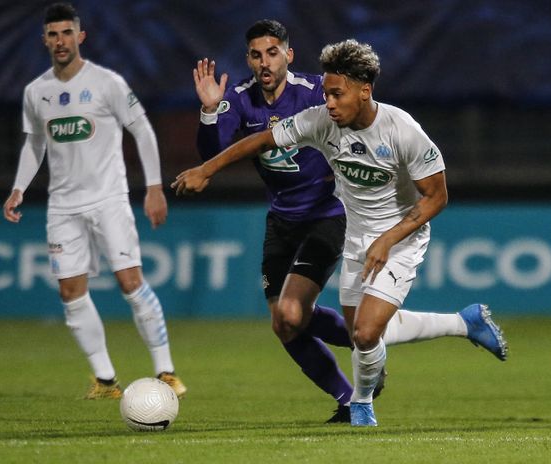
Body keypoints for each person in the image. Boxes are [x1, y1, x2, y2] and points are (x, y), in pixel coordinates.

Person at [192, 20, 507, 423]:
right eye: (327, 94)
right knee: (353, 332)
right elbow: (261, 141)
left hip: (389, 233)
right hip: (346, 233)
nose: (329, 103)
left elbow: (437, 197)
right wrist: (207, 163)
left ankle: (359, 404)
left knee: (363, 335)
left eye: (337, 94)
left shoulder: (403, 131)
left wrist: (388, 238)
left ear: (364, 91)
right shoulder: (320, 117)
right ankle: (464, 323)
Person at [2, 2, 186, 399]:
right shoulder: (37, 92)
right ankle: (105, 380)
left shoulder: (107, 83)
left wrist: (154, 187)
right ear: (44, 40)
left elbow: (143, 130)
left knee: (130, 283)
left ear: (80, 36)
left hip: (108, 199)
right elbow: (35, 144)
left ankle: (166, 370)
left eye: (67, 32)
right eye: (53, 34)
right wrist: (19, 187)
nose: (60, 41)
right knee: (70, 292)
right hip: (62, 206)